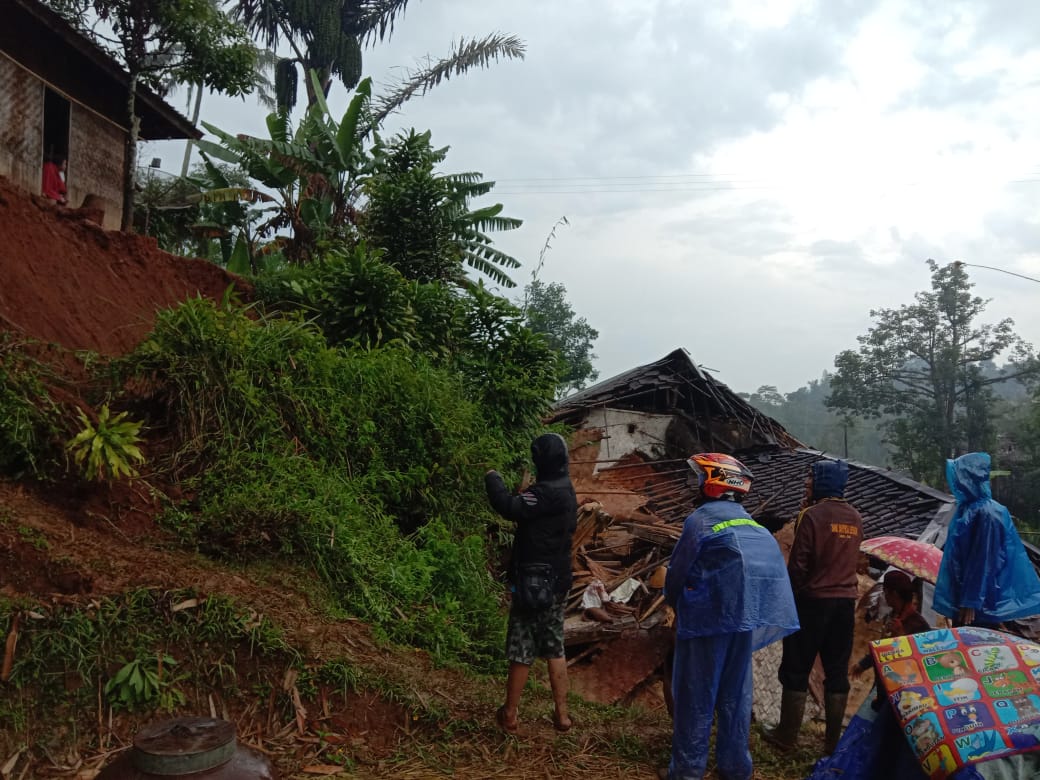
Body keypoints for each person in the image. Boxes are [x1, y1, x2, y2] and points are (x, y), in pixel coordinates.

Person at [663, 453, 798, 780]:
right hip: (744, 622)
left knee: (696, 694)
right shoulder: (753, 525)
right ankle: (735, 767)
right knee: (735, 695)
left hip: (705, 621)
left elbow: (678, 571)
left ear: (710, 483)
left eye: (699, 478)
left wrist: (674, 602)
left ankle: (687, 770)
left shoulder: (700, 520)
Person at [765, 459, 862, 756]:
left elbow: (798, 565)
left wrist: (788, 597)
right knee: (836, 671)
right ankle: (831, 745)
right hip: (845, 604)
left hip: (812, 603)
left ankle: (786, 736)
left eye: (810, 478)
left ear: (822, 481)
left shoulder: (811, 515)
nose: (807, 483)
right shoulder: (855, 517)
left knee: (796, 666)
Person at [485, 432, 577, 735]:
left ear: (541, 461)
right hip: (558, 580)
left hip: (534, 583)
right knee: (554, 645)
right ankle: (562, 716)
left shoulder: (545, 492)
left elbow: (509, 507)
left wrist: (492, 477)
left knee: (522, 646)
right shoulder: (566, 489)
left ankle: (510, 714)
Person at [933, 451, 1040, 628]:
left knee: (973, 647)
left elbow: (983, 560)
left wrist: (971, 600)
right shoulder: (969, 509)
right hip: (968, 597)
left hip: (979, 604)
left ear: (968, 479)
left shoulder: (986, 513)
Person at [849, 569, 930, 706]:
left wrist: (900, 636)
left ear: (894, 593)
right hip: (882, 689)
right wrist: (864, 664)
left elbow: (918, 663)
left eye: (885, 591)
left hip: (902, 695)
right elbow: (884, 647)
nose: (884, 596)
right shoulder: (893, 617)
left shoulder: (919, 625)